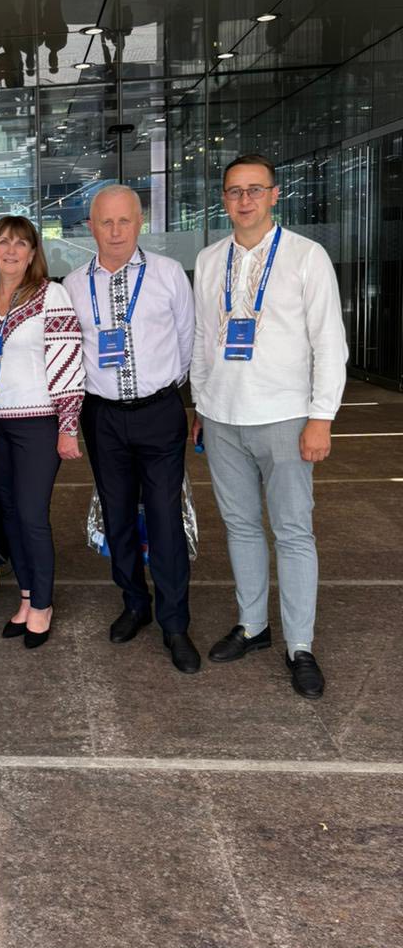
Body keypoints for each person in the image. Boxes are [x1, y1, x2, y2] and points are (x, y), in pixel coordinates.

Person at [191, 153, 347, 698]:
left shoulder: (306, 256)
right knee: (240, 527)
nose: (245, 200)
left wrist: (321, 417)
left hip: (285, 416)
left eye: (255, 189)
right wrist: (200, 404)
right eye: (235, 191)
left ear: (275, 195)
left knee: (293, 532)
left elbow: (329, 342)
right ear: (224, 199)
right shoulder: (210, 259)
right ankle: (253, 625)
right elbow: (202, 339)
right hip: (222, 417)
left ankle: (300, 644)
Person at [64, 185, 199, 674]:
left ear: (140, 222)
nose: (116, 231)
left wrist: (165, 392)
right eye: (106, 222)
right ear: (91, 227)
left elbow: (187, 341)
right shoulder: (73, 284)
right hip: (102, 416)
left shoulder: (167, 274)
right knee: (117, 514)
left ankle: (175, 623)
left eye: (125, 221)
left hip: (159, 412)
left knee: (164, 518)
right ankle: (134, 603)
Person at [0, 216, 84, 648]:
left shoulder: (50, 295)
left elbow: (67, 362)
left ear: (33, 252)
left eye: (21, 243)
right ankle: (24, 596)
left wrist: (68, 426)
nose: (11, 250)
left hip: (38, 423)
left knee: (32, 514)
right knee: (9, 513)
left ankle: (42, 603)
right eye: (3, 242)